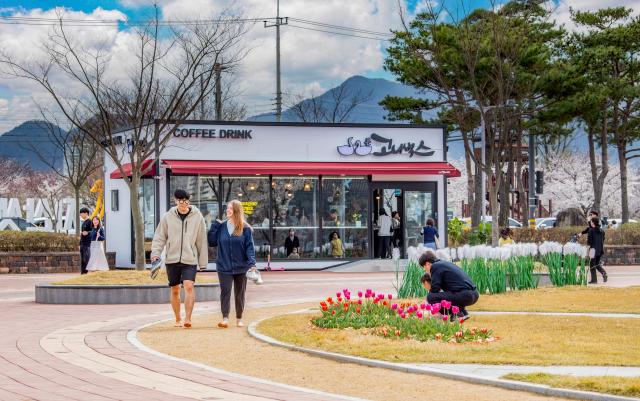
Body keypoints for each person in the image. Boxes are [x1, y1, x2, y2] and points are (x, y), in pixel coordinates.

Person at [151, 189, 208, 329]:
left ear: (189, 201)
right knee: (175, 289)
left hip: (190, 259)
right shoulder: (167, 216)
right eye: (180, 201)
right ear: (175, 200)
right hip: (172, 258)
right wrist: (155, 253)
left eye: (186, 201)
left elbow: (201, 240)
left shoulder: (197, 216)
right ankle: (178, 318)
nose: (183, 204)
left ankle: (188, 319)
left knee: (189, 286)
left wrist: (202, 262)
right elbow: (160, 236)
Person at [208, 200, 257, 328]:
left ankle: (239, 318)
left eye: (230, 208)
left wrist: (252, 263)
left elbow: (249, 247)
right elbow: (212, 242)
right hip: (224, 266)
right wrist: (214, 226)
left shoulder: (245, 228)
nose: (227, 210)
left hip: (241, 267)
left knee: (240, 293)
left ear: (236, 211)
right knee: (225, 292)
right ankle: (225, 318)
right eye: (227, 208)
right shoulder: (222, 226)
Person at [418, 250, 479, 319]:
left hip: (465, 294)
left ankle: (456, 313)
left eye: (424, 267)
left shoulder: (435, 266)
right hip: (474, 294)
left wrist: (427, 300)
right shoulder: (445, 264)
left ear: (427, 263)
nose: (425, 269)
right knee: (448, 294)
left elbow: (435, 288)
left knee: (431, 297)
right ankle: (463, 313)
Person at [587, 217, 608, 284]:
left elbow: (589, 242)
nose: (590, 223)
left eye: (591, 222)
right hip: (600, 250)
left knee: (592, 265)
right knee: (597, 264)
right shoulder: (602, 231)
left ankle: (594, 280)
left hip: (593, 250)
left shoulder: (591, 230)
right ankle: (604, 273)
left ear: (593, 222)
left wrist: (587, 250)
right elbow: (603, 240)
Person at [79, 207, 92, 275]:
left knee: (86, 259)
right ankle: (83, 274)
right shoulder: (84, 222)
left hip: (87, 244)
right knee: (82, 260)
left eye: (81, 213)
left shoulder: (90, 221)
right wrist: (79, 244)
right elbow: (82, 234)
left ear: (86, 213)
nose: (80, 215)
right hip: (82, 244)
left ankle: (88, 274)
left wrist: (88, 232)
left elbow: (93, 231)